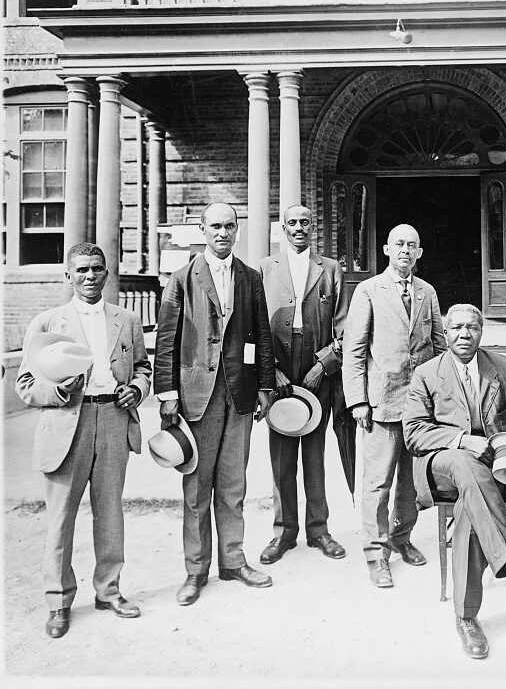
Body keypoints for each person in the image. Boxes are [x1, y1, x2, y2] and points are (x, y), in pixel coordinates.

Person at [16, 242, 151, 638]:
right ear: (68, 276)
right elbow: (25, 384)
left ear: (107, 274)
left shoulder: (125, 320)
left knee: (110, 512)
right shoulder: (47, 322)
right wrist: (59, 391)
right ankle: (58, 601)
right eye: (82, 270)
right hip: (65, 423)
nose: (90, 276)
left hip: (112, 418)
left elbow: (142, 368)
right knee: (61, 519)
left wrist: (137, 391)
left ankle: (109, 590)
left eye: (97, 269)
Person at [403, 304, 506, 659]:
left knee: (471, 506)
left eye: (472, 327)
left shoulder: (505, 368)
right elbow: (414, 433)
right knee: (466, 465)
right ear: (446, 332)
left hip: (494, 472)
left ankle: (467, 618)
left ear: (482, 331)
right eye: (456, 328)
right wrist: (463, 441)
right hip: (443, 466)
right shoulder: (426, 373)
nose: (464, 334)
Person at [154, 202, 275, 606]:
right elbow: (167, 340)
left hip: (238, 394)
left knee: (233, 485)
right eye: (215, 226)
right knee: (196, 488)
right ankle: (195, 570)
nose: (222, 233)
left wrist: (264, 386)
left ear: (237, 230)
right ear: (202, 230)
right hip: (195, 397)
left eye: (229, 226)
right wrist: (168, 395)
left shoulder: (250, 277)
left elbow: (261, 335)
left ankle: (234, 561)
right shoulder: (182, 278)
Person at [342, 223, 447, 587]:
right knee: (377, 482)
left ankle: (402, 538)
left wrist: (443, 398)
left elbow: (439, 347)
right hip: (381, 402)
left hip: (420, 406)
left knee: (412, 483)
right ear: (387, 249)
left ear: (419, 253)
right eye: (399, 243)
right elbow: (354, 351)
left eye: (412, 245)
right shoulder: (369, 291)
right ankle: (376, 553)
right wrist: (357, 400)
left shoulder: (427, 292)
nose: (405, 250)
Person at [257, 204, 348, 565]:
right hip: (278, 365)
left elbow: (344, 328)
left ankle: (319, 529)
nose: (298, 228)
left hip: (315, 363)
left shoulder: (329, 269)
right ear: (282, 228)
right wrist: (269, 372)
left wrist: (324, 364)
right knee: (281, 456)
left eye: (305, 222)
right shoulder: (264, 269)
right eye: (292, 223)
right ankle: (283, 532)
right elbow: (255, 325)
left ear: (314, 227)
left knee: (314, 453)